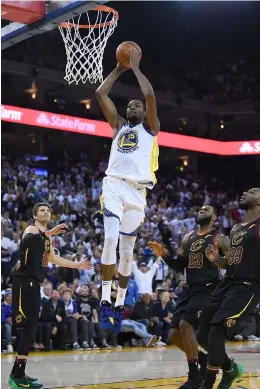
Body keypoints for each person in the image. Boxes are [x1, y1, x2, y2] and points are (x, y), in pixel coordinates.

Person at [95, 49, 160, 334]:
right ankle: (105, 300)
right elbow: (101, 93)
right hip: (114, 185)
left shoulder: (151, 128)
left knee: (127, 253)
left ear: (144, 113)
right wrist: (119, 70)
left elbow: (150, 95)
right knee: (110, 238)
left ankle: (119, 303)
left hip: (138, 194)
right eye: (129, 105)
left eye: (137, 106)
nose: (132, 107)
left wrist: (135, 68)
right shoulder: (119, 126)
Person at [10, 202, 92, 389]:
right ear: (35, 215)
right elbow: (27, 242)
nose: (46, 212)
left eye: (48, 210)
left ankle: (17, 373)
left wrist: (76, 265)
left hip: (34, 284)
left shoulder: (47, 239)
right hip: (23, 282)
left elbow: (53, 259)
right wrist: (50, 233)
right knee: (27, 328)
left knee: (31, 328)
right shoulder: (32, 229)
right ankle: (17, 376)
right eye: (42, 210)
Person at [149, 205, 230, 389]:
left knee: (186, 326)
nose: (202, 211)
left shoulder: (219, 238)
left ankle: (194, 377)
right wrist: (164, 255)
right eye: (200, 209)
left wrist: (217, 261)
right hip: (191, 290)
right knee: (174, 334)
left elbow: (233, 262)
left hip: (210, 289)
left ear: (214, 217)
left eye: (207, 209)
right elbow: (179, 266)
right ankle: (203, 360)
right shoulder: (188, 238)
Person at [197, 188, 260, 389]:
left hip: (247, 287)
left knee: (217, 331)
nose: (245, 193)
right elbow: (230, 262)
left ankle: (207, 384)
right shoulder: (236, 228)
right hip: (227, 284)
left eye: (251, 192)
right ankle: (230, 369)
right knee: (202, 334)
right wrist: (216, 259)